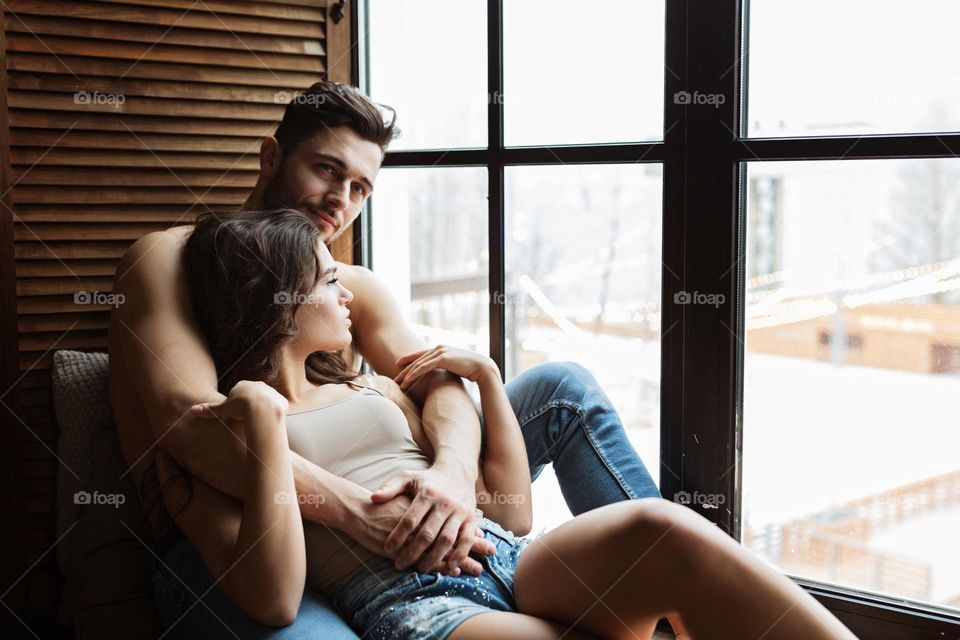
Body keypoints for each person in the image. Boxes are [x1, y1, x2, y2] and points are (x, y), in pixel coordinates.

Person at [108, 81, 661, 637]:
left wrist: (451, 473)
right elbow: (192, 426)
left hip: (377, 501)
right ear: (271, 157)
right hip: (228, 539)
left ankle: (660, 601)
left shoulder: (352, 288)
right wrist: (364, 514)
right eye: (327, 170)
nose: (340, 200)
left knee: (562, 387)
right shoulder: (168, 258)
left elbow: (436, 379)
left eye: (360, 188)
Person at [156, 208, 857, 640]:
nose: (348, 292)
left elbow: (513, 510)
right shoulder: (235, 432)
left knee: (660, 528)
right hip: (419, 608)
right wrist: (265, 425)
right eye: (328, 278)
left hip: (509, 557)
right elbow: (274, 601)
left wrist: (487, 378)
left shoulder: (374, 384)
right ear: (276, 302)